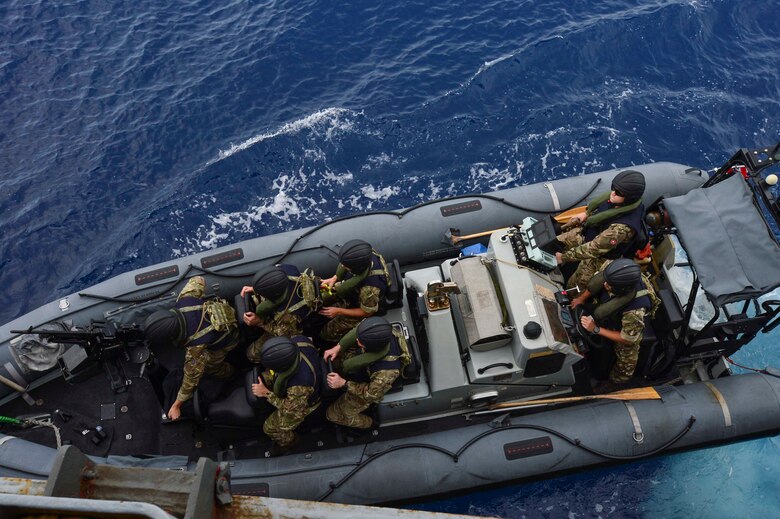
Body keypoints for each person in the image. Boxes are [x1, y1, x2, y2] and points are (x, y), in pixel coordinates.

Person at [144, 276, 239, 420]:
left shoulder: (195, 347)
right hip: (227, 311)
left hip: (230, 338)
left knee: (209, 366)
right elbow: (199, 279)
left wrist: (176, 405)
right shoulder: (185, 300)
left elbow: (190, 379)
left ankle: (230, 373)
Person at [570, 259, 653, 393]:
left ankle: (613, 383)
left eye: (610, 284)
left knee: (626, 363)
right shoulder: (613, 270)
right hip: (609, 307)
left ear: (621, 289)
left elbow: (627, 338)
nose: (605, 284)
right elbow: (595, 285)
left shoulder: (635, 312)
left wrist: (596, 329)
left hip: (629, 329)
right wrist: (580, 300)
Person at [555, 169, 646, 291]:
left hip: (599, 255)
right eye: (613, 188)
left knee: (576, 285)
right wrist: (587, 213)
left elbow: (594, 248)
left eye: (618, 192)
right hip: (589, 233)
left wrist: (563, 258)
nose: (613, 193)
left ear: (629, 198)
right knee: (555, 242)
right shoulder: (617, 201)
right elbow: (601, 211)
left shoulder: (621, 229)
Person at [323, 316, 408, 429]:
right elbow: (358, 330)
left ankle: (370, 424)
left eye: (361, 341)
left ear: (372, 347)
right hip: (364, 364)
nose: (357, 340)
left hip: (369, 387)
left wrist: (343, 383)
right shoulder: (377, 327)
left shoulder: (386, 372)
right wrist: (339, 347)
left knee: (333, 414)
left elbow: (370, 395)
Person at [250, 336, 322, 456]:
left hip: (303, 403)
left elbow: (292, 410)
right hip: (300, 377)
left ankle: (291, 442)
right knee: (264, 377)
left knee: (270, 428)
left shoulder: (299, 386)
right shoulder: (299, 340)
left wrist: (266, 393)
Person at [241, 264, 316, 364]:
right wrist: (256, 288)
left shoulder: (288, 315)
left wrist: (259, 322)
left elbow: (281, 333)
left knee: (252, 354)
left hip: (290, 328)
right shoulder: (287, 269)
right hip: (285, 310)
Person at [319, 239, 390, 343]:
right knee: (323, 297)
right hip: (354, 292)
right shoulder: (366, 253)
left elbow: (367, 313)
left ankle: (325, 342)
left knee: (328, 331)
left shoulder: (369, 289)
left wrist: (338, 311)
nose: (342, 266)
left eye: (346, 266)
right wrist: (334, 278)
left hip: (363, 306)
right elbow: (343, 266)